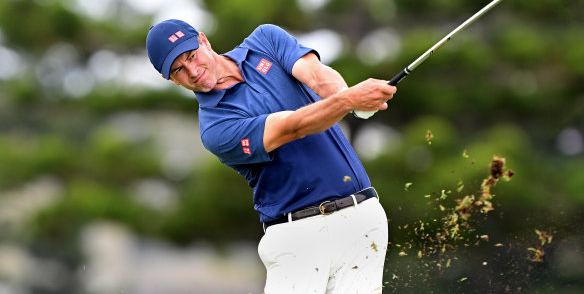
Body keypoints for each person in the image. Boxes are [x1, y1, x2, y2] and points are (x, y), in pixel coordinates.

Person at [146, 19, 397, 294]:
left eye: (192, 56)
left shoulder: (265, 40)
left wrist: (351, 98)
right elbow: (293, 127)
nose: (193, 71)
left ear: (204, 41)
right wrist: (349, 101)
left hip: (361, 221)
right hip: (297, 238)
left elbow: (317, 76)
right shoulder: (215, 127)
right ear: (168, 79)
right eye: (178, 70)